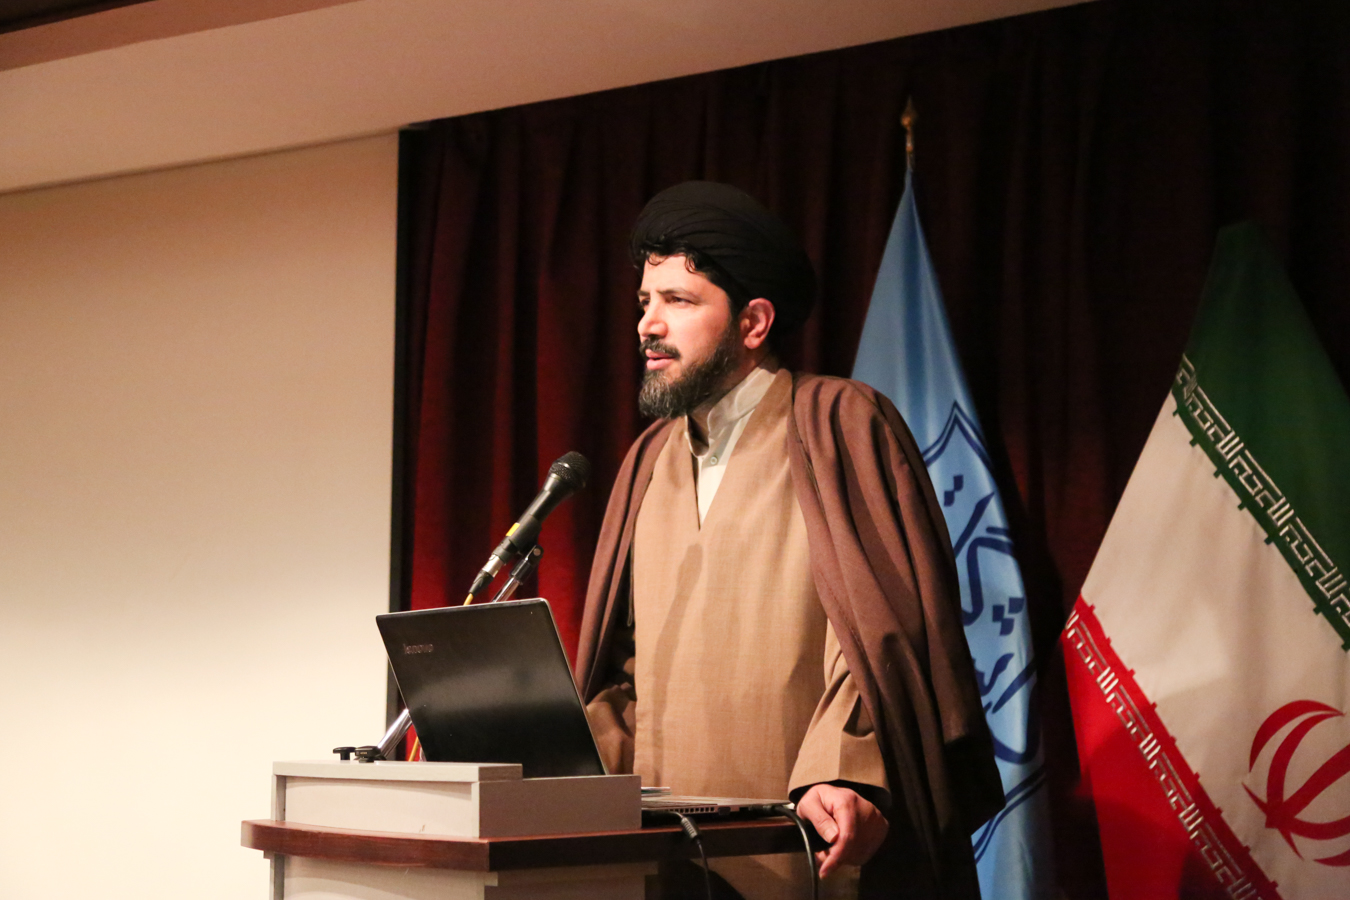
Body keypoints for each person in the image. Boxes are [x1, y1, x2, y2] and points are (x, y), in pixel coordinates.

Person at [575, 181, 1002, 900]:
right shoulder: (648, 460)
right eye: (645, 302)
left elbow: (881, 635)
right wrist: (547, 759)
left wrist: (844, 773)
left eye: (678, 300)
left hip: (801, 846)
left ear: (753, 322)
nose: (649, 324)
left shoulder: (838, 423)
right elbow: (624, 669)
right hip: (657, 857)